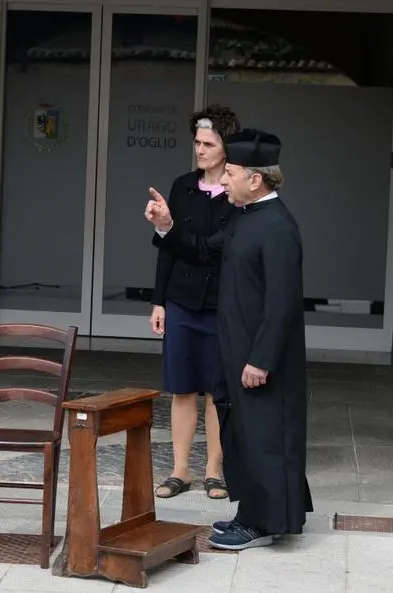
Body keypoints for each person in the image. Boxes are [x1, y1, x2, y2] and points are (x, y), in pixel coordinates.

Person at [145, 128, 313, 550]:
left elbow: (283, 303)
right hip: (238, 351)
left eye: (231, 173)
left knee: (265, 437)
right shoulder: (246, 217)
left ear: (254, 179)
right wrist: (167, 227)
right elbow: (204, 250)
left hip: (260, 358)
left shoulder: (276, 226)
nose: (222, 180)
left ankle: (263, 524)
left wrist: (260, 359)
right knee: (245, 435)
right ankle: (251, 515)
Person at [150, 104, 241, 501]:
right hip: (182, 301)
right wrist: (159, 302)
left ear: (226, 147)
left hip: (222, 303)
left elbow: (214, 251)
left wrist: (168, 230)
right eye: (197, 143)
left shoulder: (238, 193)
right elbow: (167, 252)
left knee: (216, 392)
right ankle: (180, 470)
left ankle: (214, 472)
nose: (200, 150)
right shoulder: (182, 185)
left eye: (208, 143)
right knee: (182, 388)